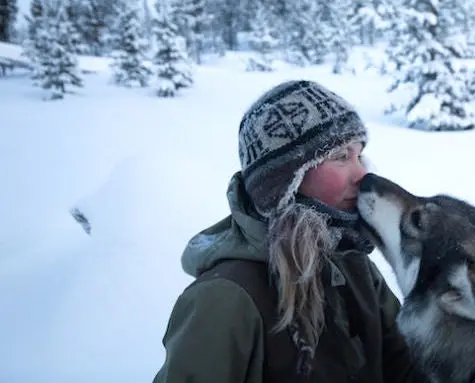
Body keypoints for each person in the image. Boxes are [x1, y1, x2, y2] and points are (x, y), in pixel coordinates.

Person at [153, 80, 423, 382]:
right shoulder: (225, 299)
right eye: (341, 157)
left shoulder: (352, 263)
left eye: (359, 155)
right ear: (284, 181)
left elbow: (408, 367)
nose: (363, 174)